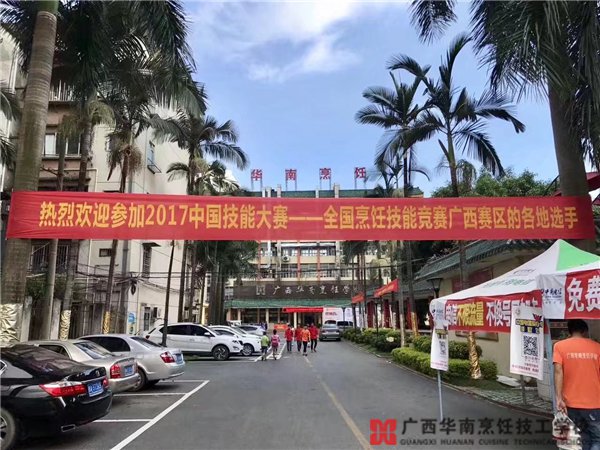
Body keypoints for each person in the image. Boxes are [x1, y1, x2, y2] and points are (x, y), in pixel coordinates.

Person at [553, 319, 600, 450]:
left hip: (571, 404)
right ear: (585, 331)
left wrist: (559, 398)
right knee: (597, 438)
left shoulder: (559, 346)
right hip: (595, 403)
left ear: (569, 331)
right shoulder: (597, 347)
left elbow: (558, 371)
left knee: (581, 437)